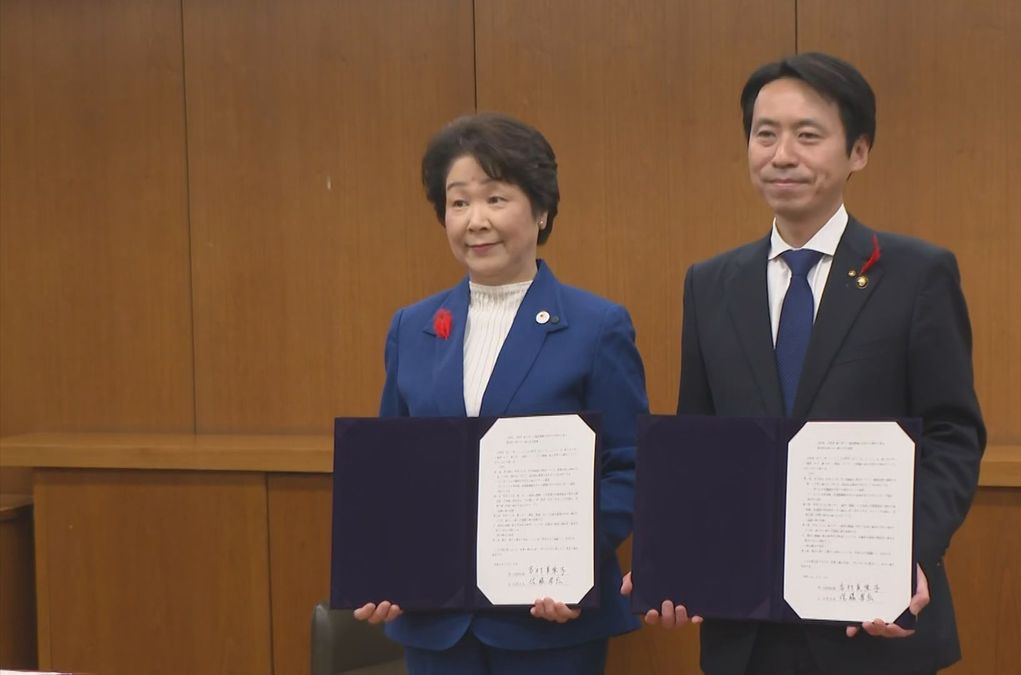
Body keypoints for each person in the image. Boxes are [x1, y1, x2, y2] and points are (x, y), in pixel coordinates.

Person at [622, 52, 986, 675]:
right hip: (747, 632)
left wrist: (908, 554)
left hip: (870, 624)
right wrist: (677, 558)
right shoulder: (710, 284)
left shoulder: (916, 274)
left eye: (808, 135)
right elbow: (703, 442)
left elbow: (954, 434)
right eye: (765, 134)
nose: (781, 154)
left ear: (858, 152)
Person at [354, 113, 647, 675]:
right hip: (435, 621)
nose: (475, 221)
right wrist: (383, 566)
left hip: (548, 623)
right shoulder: (411, 327)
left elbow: (629, 466)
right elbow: (388, 466)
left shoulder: (596, 326)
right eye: (458, 202)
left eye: (495, 199)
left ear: (540, 210)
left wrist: (573, 563)